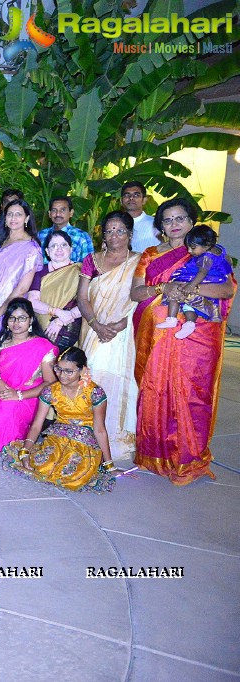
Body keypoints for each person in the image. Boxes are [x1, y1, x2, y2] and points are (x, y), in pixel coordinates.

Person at [130, 198, 236, 485]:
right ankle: (155, 455)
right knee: (156, 390)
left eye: (180, 219)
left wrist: (189, 289)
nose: (174, 225)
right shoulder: (150, 255)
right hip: (158, 335)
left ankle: (189, 456)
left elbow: (226, 289)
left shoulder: (210, 253)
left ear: (191, 222)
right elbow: (137, 294)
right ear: (160, 226)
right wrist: (164, 287)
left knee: (193, 394)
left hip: (199, 335)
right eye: (167, 220)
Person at [2, 347, 117, 492]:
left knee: (75, 474)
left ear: (82, 371)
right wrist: (25, 451)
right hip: (58, 436)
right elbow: (37, 425)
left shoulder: (94, 392)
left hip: (85, 441)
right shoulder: (51, 390)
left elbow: (100, 430)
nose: (62, 375)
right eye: (59, 369)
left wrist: (109, 465)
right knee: (42, 465)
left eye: (69, 371)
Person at [76, 211, 141, 466]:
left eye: (120, 230)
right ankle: (86, 436)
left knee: (120, 381)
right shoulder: (92, 260)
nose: (114, 235)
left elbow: (142, 301)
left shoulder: (139, 261)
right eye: (109, 231)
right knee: (92, 376)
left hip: (124, 333)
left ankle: (116, 440)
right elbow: (82, 297)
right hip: (94, 330)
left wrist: (118, 325)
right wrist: (97, 325)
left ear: (130, 234)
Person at [0, 299, 57, 451]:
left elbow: (50, 383)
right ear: (7, 321)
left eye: (22, 318)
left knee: (7, 409)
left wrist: (19, 395)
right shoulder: (0, 342)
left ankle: (4, 439)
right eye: (12, 318)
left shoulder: (42, 346)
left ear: (31, 320)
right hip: (4, 386)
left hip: (29, 395)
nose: (16, 322)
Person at [0, 199, 43, 357]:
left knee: (1, 352)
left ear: (26, 218)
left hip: (9, 311)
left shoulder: (31, 248)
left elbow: (22, 289)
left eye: (18, 214)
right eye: (10, 214)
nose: (13, 218)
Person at [156, 225, 231, 340]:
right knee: (189, 304)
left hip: (200, 278)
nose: (190, 251)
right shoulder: (219, 249)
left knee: (176, 290)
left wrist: (191, 285)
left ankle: (172, 319)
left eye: (193, 248)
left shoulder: (205, 258)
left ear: (206, 245)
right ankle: (189, 323)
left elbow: (202, 272)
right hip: (215, 278)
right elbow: (226, 260)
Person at [27, 230, 83, 352]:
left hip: (71, 331)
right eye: (53, 246)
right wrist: (57, 312)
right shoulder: (39, 273)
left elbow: (88, 302)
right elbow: (32, 301)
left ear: (71, 249)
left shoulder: (81, 272)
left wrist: (61, 320)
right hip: (42, 330)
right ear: (47, 251)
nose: (59, 249)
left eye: (63, 245)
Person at [37, 196, 94, 263]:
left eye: (63, 210)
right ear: (49, 214)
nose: (58, 214)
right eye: (54, 210)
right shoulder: (41, 235)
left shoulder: (81, 236)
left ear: (71, 213)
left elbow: (88, 266)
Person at [120, 182, 158, 253]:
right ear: (121, 201)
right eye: (127, 195)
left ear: (144, 200)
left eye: (136, 195)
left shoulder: (156, 224)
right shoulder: (114, 225)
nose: (131, 198)